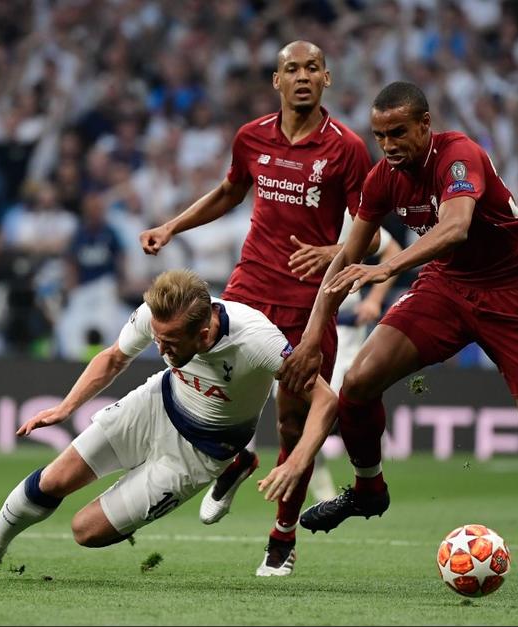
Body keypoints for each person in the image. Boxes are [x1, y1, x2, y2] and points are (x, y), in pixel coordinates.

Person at [278, 81, 518, 595]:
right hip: (447, 287)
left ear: (425, 124)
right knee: (358, 380)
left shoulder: (459, 156)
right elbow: (344, 260)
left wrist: (389, 266)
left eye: (399, 132)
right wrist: (312, 337)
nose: (390, 144)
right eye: (380, 135)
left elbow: (457, 226)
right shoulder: (383, 178)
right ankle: (368, 488)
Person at [0, 270, 337, 579]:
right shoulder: (157, 315)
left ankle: (232, 465)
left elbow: (325, 399)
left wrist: (299, 458)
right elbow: (113, 359)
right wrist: (66, 407)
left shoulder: (258, 341)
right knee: (55, 479)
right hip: (156, 403)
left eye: (171, 343)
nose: (160, 347)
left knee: (85, 531)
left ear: (204, 332)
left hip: (202, 450)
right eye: (157, 339)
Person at [139, 41, 373, 576]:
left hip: (307, 305)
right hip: (247, 290)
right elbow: (229, 192)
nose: (302, 77)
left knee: (294, 422)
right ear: (277, 80)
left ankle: (282, 537)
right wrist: (171, 226)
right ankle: (234, 459)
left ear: (327, 79)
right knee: (200, 376)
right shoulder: (252, 136)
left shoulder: (348, 149)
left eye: (312, 68)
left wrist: (335, 251)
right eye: (292, 69)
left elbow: (372, 233)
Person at [287, 213, 404, 501]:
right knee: (300, 416)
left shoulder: (350, 218)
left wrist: (375, 299)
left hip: (345, 331)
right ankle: (324, 492)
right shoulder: (286, 214)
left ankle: (366, 478)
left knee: (338, 403)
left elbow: (392, 250)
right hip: (299, 332)